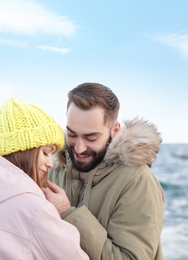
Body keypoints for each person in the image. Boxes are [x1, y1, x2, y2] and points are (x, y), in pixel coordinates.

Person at [0, 98, 89, 259]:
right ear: (24, 150)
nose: (50, 164)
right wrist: (66, 211)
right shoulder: (35, 210)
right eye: (46, 152)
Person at [44, 82, 165, 259]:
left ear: (114, 130)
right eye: (71, 134)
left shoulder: (138, 182)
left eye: (91, 137)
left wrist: (67, 213)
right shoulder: (54, 167)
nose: (78, 148)